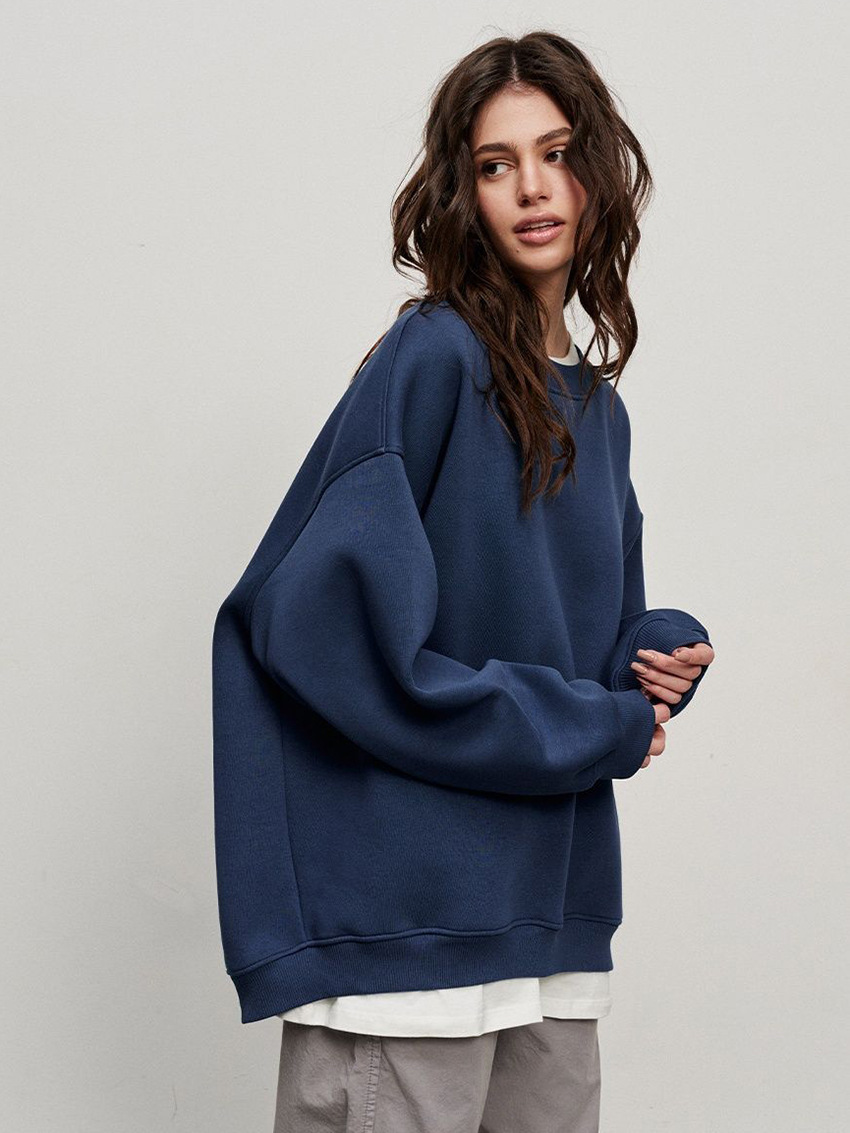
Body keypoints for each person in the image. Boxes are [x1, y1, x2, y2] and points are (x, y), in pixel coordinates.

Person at [211, 29, 716, 1133]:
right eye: (496, 163)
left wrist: (652, 653)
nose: (532, 187)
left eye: (557, 153)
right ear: (463, 191)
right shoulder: (433, 356)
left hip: (550, 927)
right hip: (411, 936)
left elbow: (576, 639)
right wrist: (595, 723)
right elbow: (325, 633)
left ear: (598, 176)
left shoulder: (600, 412)